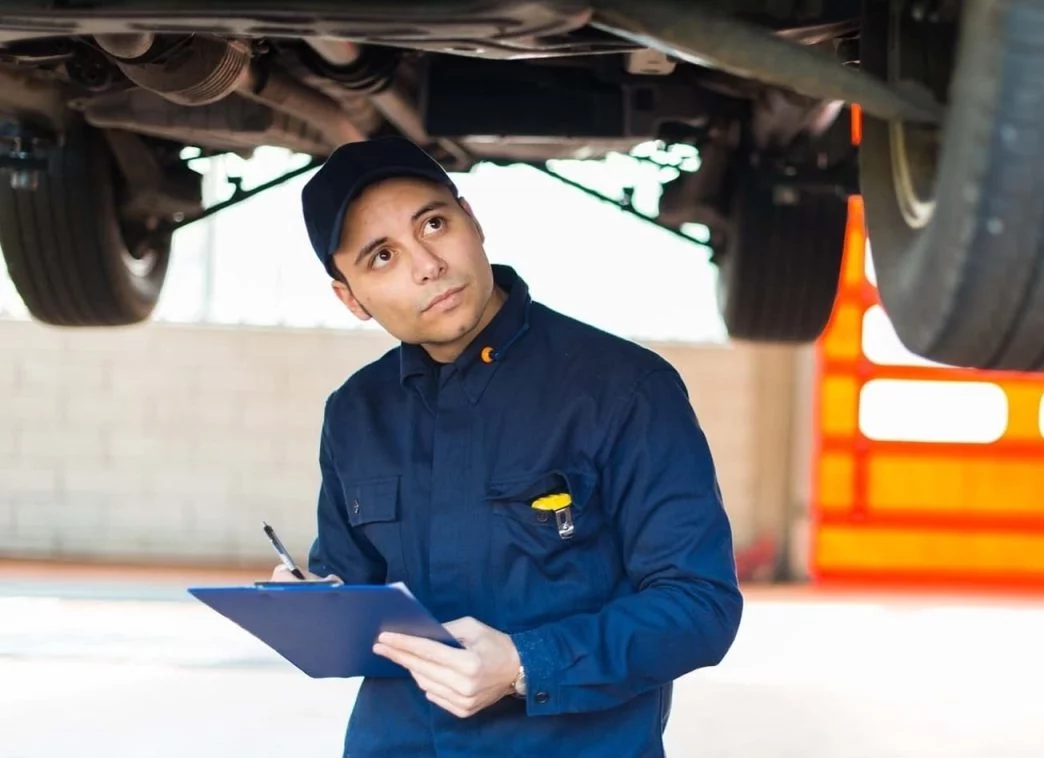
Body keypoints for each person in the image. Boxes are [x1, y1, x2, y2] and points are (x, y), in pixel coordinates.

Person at [270, 136, 744, 757]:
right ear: (350, 297)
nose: (426, 264)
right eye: (382, 256)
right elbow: (354, 585)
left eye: (433, 224)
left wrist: (526, 664)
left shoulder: (623, 388)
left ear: (473, 219)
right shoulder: (357, 411)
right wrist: (312, 605)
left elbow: (699, 606)